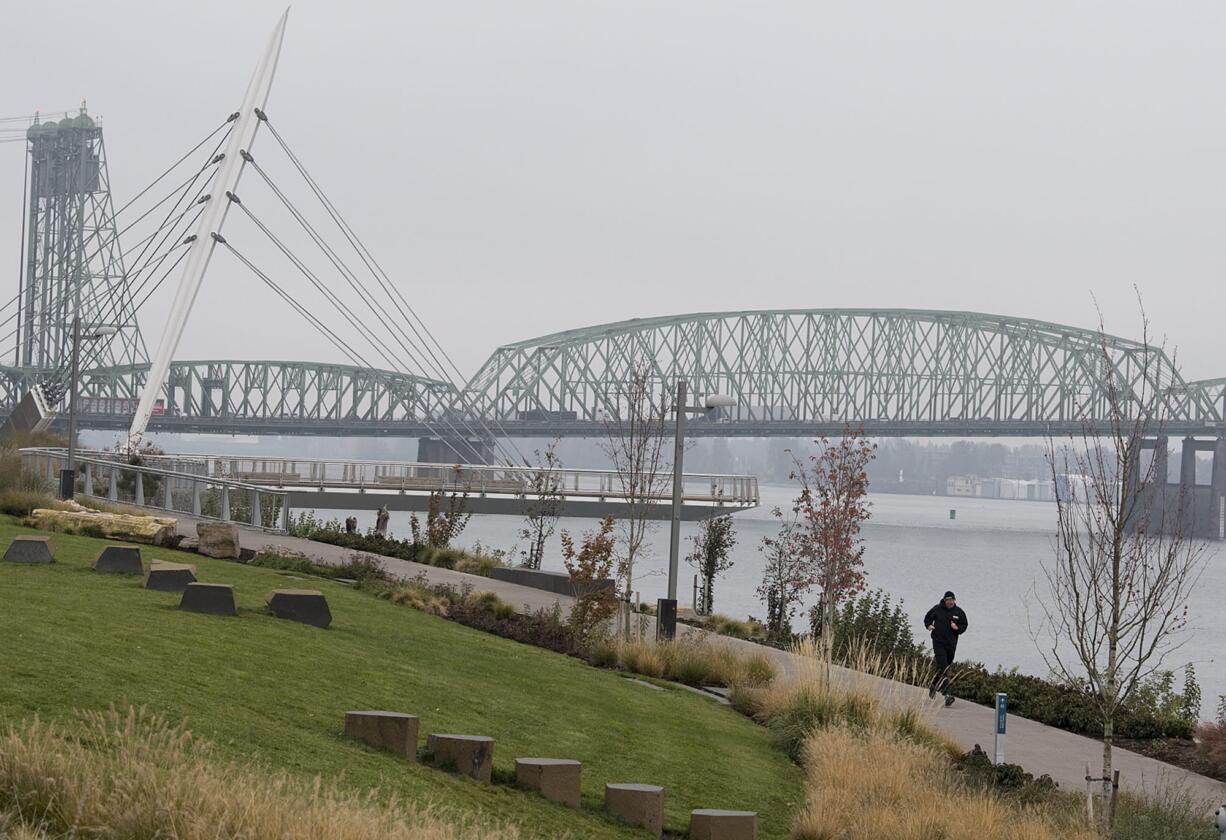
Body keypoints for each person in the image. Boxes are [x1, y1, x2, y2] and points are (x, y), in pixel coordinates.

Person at [924, 590, 968, 706]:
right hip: (938, 642)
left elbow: (964, 625)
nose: (950, 602)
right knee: (943, 668)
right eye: (948, 600)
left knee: (943, 668)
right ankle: (947, 694)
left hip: (951, 644)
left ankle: (933, 685)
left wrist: (957, 628)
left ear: (954, 600)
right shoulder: (937, 609)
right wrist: (928, 625)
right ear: (944, 600)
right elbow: (927, 618)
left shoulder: (959, 612)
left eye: (952, 600)